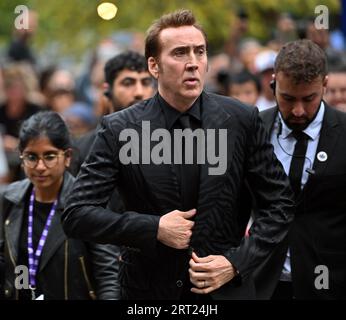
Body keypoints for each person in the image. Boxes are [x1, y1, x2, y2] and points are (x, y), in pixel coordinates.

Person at [62, 9, 294, 300]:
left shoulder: (241, 119)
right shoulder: (120, 128)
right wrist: (152, 227)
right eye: (180, 53)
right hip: (148, 293)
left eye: (200, 52)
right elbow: (76, 214)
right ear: (154, 65)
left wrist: (237, 262)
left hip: (224, 290)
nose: (193, 63)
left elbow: (280, 205)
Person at [256, 39, 346, 299]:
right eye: (287, 98)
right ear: (273, 83)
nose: (298, 110)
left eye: (309, 99)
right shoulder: (254, 128)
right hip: (264, 284)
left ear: (325, 85)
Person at [0, 111, 119, 300]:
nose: (40, 166)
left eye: (49, 156)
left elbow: (108, 274)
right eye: (31, 157)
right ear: (21, 158)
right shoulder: (8, 199)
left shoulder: (88, 203)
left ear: (68, 156)